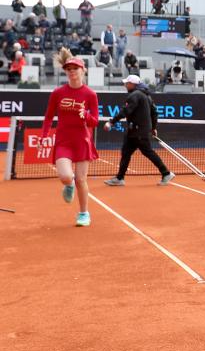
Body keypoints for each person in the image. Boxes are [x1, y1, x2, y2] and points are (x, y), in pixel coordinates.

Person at [41, 49, 101, 226]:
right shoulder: (58, 93)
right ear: (65, 71)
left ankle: (84, 214)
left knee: (81, 179)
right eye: (69, 68)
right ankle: (69, 186)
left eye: (75, 68)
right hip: (63, 140)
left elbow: (95, 121)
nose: (72, 71)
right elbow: (48, 117)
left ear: (83, 70)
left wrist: (86, 116)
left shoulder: (90, 95)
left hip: (82, 140)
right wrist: (44, 135)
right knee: (67, 176)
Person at [102, 75, 175, 186]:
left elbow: (125, 111)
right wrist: (153, 127)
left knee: (147, 152)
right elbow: (154, 113)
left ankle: (166, 173)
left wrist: (111, 122)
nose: (125, 85)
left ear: (133, 84)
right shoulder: (147, 96)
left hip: (138, 132)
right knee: (126, 153)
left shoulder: (134, 95)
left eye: (127, 83)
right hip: (135, 132)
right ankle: (119, 178)